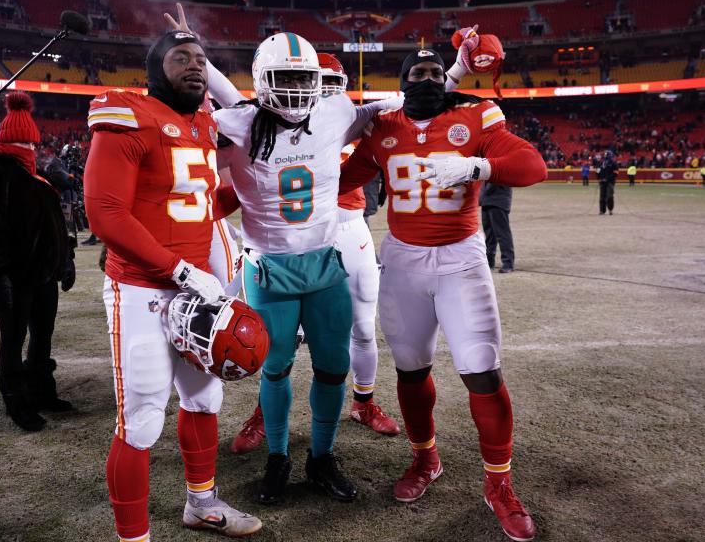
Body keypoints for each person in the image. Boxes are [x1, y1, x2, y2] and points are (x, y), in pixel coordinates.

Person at [339, 49, 547, 541]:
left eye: (436, 72)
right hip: (404, 260)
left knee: (482, 371)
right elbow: (342, 180)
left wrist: (477, 168)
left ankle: (499, 485)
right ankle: (424, 457)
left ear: (447, 78)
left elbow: (531, 164)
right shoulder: (382, 126)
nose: (429, 79)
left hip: (461, 257)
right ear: (404, 82)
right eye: (419, 73)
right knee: (411, 370)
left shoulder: (474, 113)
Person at [84, 30, 261, 540]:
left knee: (204, 402)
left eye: (202, 59)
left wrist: (255, 195)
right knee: (140, 421)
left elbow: (200, 205)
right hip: (142, 288)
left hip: (195, 291)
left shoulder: (204, 124)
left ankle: (201, 503)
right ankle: (133, 535)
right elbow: (105, 213)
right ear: (155, 67)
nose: (194, 65)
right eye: (180, 57)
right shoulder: (128, 114)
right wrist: (180, 271)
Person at [229, 52, 400, 456]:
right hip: (288, 241)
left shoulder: (345, 116)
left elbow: (416, 100)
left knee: (359, 326)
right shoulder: (268, 123)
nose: (317, 90)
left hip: (347, 229)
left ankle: (363, 402)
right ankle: (263, 414)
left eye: (327, 81)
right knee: (277, 342)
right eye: (311, 79)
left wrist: (457, 72)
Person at [0, 93, 74, 432]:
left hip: (42, 276)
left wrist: (65, 260)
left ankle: (42, 390)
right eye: (26, 141)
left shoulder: (37, 177)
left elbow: (56, 225)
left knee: (43, 335)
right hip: (13, 276)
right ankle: (16, 400)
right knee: (12, 339)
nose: (31, 147)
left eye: (32, 141)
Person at [480, 183, 514, 273]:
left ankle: (508, 263)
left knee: (502, 234)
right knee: (489, 234)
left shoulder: (501, 169)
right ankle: (489, 261)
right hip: (487, 200)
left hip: (498, 200)